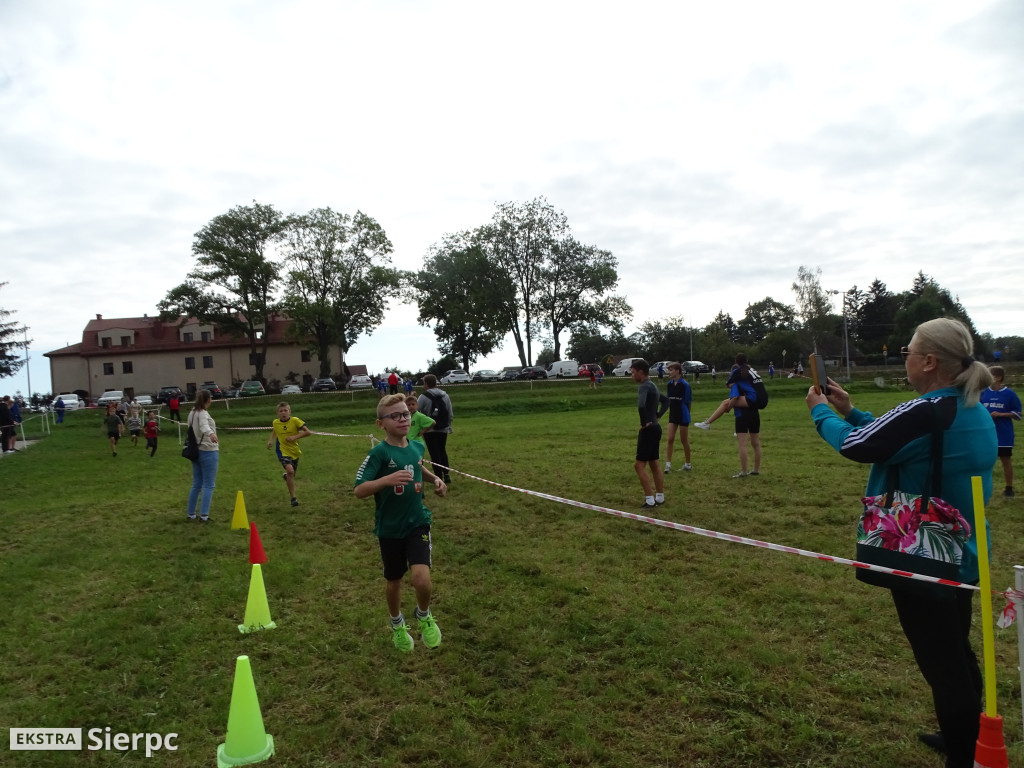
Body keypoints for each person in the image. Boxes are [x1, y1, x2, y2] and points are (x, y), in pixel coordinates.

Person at [806, 317, 996, 768]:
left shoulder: (926, 409)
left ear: (929, 362)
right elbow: (904, 442)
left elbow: (857, 445)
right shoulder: (970, 406)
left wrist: (821, 411)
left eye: (909, 351)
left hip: (924, 556)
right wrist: (851, 408)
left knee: (942, 664)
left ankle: (964, 752)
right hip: (963, 553)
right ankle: (963, 735)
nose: (904, 357)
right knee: (957, 650)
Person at [354, 393, 447, 652]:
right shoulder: (379, 453)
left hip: (417, 522)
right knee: (394, 580)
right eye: (394, 415)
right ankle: (396, 624)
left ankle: (424, 615)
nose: (403, 419)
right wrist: (386, 480)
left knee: (421, 580)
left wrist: (435, 480)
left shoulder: (417, 446)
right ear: (380, 423)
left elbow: (418, 467)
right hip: (389, 529)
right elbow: (359, 490)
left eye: (405, 413)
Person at [694, 353, 763, 478]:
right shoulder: (749, 380)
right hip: (754, 412)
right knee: (755, 442)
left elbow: (735, 397)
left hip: (742, 415)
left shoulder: (736, 384)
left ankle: (743, 472)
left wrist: (728, 408)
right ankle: (756, 470)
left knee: (742, 444)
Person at [630, 359, 669, 508]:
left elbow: (641, 405)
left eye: (633, 373)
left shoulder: (644, 385)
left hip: (648, 429)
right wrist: (658, 415)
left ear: (640, 372)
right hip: (656, 428)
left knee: (639, 466)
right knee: (654, 463)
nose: (632, 376)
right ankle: (659, 497)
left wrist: (644, 422)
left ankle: (649, 500)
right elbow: (666, 401)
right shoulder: (653, 385)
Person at [980, 365, 1021, 498]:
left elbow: (1018, 414)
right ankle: (982, 488)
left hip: (1004, 434)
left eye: (989, 374)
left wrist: (1001, 415)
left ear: (998, 377)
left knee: (1005, 460)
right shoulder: (983, 393)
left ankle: (1009, 488)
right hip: (987, 434)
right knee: (983, 461)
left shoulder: (1009, 394)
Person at [267, 401, 313, 507]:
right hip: (281, 450)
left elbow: (308, 432)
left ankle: (286, 477)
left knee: (291, 475)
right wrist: (271, 440)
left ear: (289, 412)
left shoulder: (295, 421)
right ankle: (293, 498)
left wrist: (294, 437)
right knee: (290, 471)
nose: (283, 413)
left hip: (294, 451)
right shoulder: (275, 422)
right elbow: (275, 430)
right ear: (277, 413)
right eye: (281, 411)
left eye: (285, 410)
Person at [186, 389, 219, 522]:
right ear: (208, 400)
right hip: (208, 450)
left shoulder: (192, 412)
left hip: (195, 451)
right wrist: (211, 433)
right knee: (209, 485)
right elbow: (204, 425)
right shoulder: (203, 413)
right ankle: (204, 516)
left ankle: (191, 513)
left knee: (197, 484)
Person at [417, 374, 454, 484]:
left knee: (434, 453)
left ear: (426, 384)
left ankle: (438, 477)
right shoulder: (445, 395)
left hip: (429, 430)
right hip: (443, 428)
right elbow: (450, 413)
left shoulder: (423, 397)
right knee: (442, 450)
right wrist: (448, 425)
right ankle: (446, 474)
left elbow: (417, 412)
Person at [664, 362, 692, 472]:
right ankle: (668, 465)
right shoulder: (669, 384)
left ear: (677, 371)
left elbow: (688, 401)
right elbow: (668, 400)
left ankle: (688, 464)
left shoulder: (685, 385)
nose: (669, 372)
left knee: (683, 440)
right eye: (669, 370)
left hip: (683, 414)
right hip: (673, 414)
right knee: (670, 439)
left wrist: (687, 414)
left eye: (671, 370)